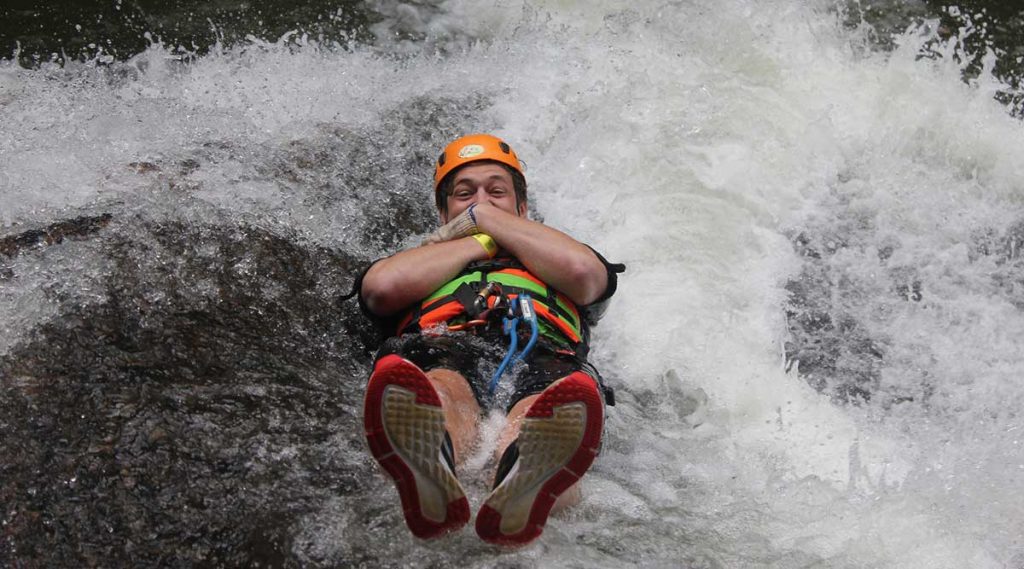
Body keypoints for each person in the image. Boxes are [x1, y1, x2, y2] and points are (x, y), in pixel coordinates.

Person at [353, 134, 624, 546]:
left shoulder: (556, 252)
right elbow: (382, 288)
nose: (481, 200)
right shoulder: (421, 258)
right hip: (445, 342)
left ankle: (524, 470)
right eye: (465, 194)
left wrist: (485, 219)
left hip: (546, 350)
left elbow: (584, 274)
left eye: (497, 191)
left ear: (522, 208)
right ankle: (432, 458)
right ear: (444, 212)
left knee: (544, 408)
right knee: (441, 389)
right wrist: (475, 240)